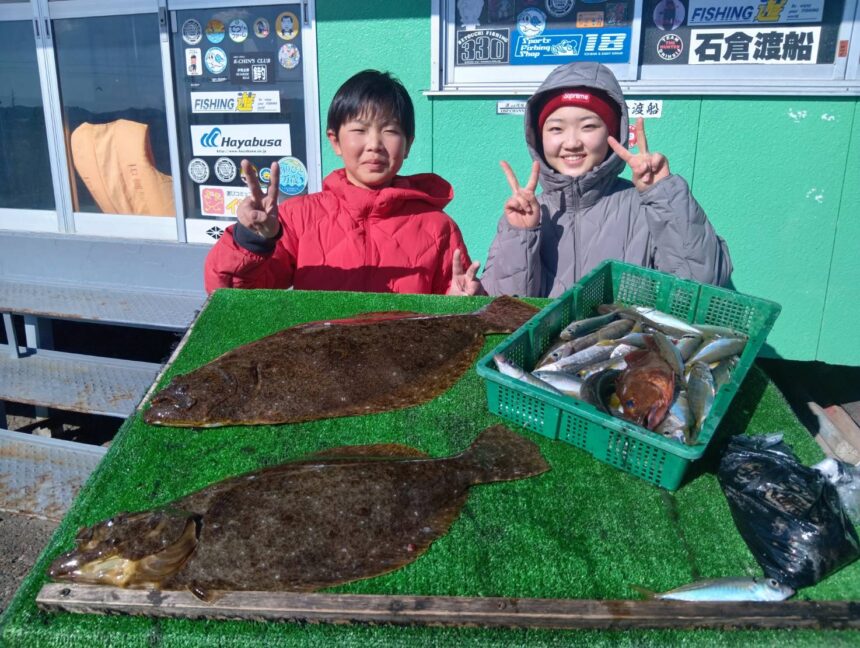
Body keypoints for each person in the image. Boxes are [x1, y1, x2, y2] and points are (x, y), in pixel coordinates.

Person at [204, 70, 479, 295]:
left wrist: (462, 302)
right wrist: (252, 241)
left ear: (408, 145)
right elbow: (230, 294)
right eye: (360, 129)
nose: (374, 144)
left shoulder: (438, 227)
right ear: (335, 141)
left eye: (390, 130)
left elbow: (458, 309)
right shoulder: (298, 218)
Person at [479, 61, 732, 298]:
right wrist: (521, 235)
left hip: (628, 333)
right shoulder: (525, 215)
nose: (572, 142)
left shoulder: (648, 206)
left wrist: (663, 194)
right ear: (538, 137)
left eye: (588, 126)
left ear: (613, 134)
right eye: (556, 128)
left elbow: (702, 286)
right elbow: (504, 308)